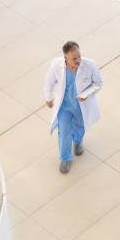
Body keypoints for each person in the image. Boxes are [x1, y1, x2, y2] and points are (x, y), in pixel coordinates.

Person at [43, 41, 103, 174]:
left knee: (80, 126)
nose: (78, 60)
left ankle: (77, 141)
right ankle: (65, 158)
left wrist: (86, 94)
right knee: (64, 132)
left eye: (79, 56)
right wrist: (48, 98)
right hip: (64, 105)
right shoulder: (56, 65)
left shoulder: (90, 65)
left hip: (81, 105)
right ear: (65, 58)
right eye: (74, 58)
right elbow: (48, 81)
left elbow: (98, 83)